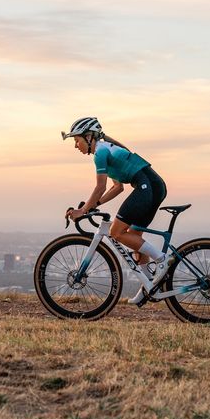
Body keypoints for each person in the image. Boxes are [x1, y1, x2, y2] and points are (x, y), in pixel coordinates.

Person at [62, 116, 168, 305]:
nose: (76, 146)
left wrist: (83, 210)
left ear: (89, 137)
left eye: (77, 140)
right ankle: (148, 287)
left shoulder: (100, 153)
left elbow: (100, 187)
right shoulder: (106, 150)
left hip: (147, 187)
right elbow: (117, 187)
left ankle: (162, 259)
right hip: (153, 186)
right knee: (134, 236)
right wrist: (94, 205)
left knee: (116, 232)